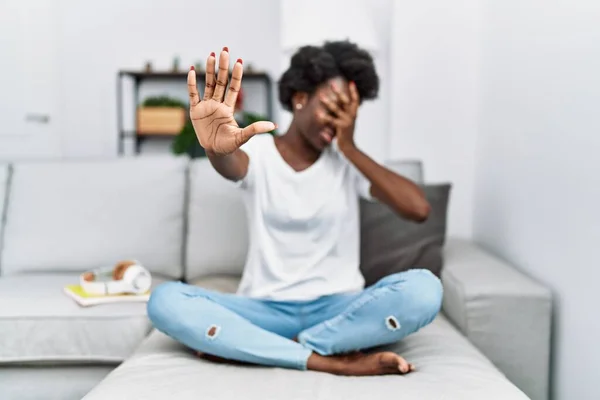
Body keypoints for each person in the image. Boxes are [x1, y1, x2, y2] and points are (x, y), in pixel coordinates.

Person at [147, 41, 443, 376]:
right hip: (264, 310)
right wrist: (216, 149)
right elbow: (232, 164)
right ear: (300, 97)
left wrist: (349, 145)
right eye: (332, 108)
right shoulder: (259, 152)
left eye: (349, 113)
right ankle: (324, 358)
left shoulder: (347, 162)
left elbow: (418, 209)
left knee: (425, 289)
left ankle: (262, 347)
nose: (338, 121)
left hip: (340, 311)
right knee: (165, 301)